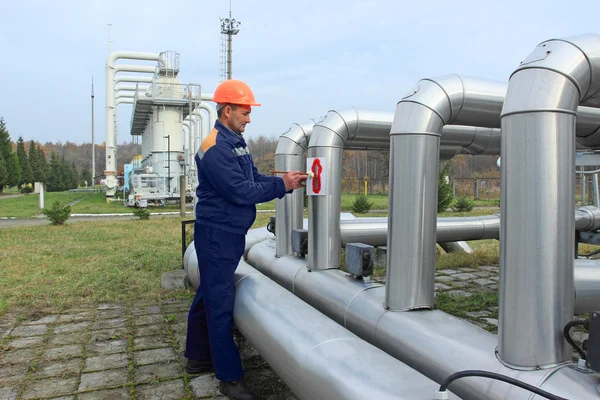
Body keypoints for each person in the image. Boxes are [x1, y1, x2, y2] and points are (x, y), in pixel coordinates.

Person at [184, 79, 306, 400]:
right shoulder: (215, 147)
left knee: (208, 293)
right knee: (220, 303)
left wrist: (283, 179)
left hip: (228, 233)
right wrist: (283, 187)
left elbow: (251, 179)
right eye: (245, 112)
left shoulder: (234, 140)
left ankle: (196, 356)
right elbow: (241, 191)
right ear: (227, 111)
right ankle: (229, 377)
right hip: (217, 236)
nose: (249, 118)